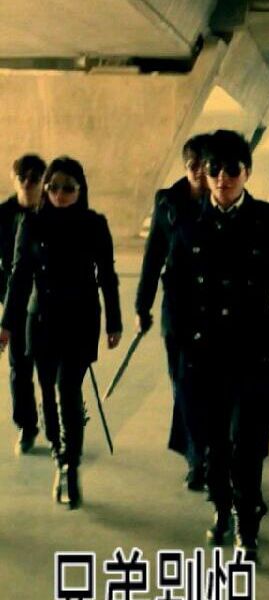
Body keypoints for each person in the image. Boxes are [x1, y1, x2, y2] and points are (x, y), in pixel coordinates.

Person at [138, 130, 269, 562]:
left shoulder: (266, 220)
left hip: (253, 352)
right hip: (202, 353)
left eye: (232, 169)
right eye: (214, 169)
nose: (223, 177)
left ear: (247, 172)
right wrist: (182, 338)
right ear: (204, 174)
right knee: (211, 444)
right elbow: (175, 284)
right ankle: (222, 507)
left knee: (248, 442)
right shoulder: (187, 223)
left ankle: (247, 522)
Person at [0, 156, 122, 509]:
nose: (60, 194)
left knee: (68, 389)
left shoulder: (94, 224)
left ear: (80, 190)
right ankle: (57, 450)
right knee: (47, 391)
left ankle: (70, 461)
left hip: (81, 320)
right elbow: (19, 277)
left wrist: (114, 321)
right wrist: (6, 324)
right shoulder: (31, 223)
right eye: (54, 187)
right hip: (41, 320)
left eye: (68, 188)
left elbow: (107, 276)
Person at [135, 133, 211, 491]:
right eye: (192, 164)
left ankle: (208, 453)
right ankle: (196, 457)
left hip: (215, 310)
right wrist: (142, 305)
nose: (198, 171)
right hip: (178, 308)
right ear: (185, 166)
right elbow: (153, 255)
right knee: (183, 383)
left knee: (211, 385)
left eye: (204, 165)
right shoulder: (167, 202)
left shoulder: (224, 201)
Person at [0, 154, 52, 455]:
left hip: (51, 302)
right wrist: (6, 296)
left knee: (52, 369)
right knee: (20, 368)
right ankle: (26, 425)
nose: (29, 184)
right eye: (24, 178)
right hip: (18, 302)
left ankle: (56, 422)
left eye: (35, 179)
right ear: (14, 178)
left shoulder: (54, 210)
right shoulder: (4, 215)